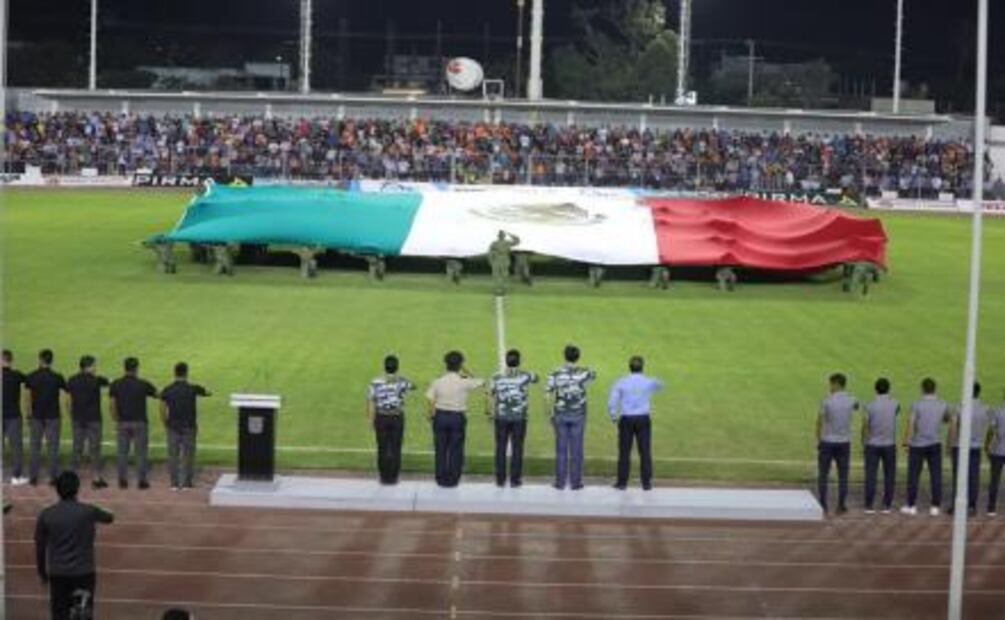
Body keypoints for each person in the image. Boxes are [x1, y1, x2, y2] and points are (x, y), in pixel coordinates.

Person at [35, 471, 114, 620]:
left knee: (59, 614)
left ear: (57, 490)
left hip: (58, 574)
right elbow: (110, 517)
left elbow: (40, 547)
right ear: (77, 488)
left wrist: (42, 573)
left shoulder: (46, 515)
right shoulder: (88, 511)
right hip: (84, 573)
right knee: (83, 615)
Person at [426, 351, 484, 487]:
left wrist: (431, 415)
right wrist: (465, 369)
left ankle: (440, 478)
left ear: (446, 364)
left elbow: (430, 400)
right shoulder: (464, 382)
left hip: (440, 417)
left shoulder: (437, 381)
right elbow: (481, 382)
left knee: (440, 449)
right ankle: (453, 479)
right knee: (456, 449)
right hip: (457, 418)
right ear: (460, 365)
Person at [608, 356, 664, 490]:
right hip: (643, 419)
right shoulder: (648, 382)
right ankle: (646, 483)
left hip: (626, 418)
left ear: (629, 367)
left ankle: (622, 483)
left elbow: (612, 401)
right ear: (642, 367)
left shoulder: (621, 382)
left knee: (624, 452)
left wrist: (613, 415)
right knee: (645, 451)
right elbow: (661, 385)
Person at [546, 345, 597, 490]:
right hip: (578, 414)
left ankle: (560, 482)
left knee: (561, 450)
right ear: (578, 357)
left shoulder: (555, 373)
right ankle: (576, 483)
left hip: (560, 414)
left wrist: (550, 414)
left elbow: (547, 394)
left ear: (564, 356)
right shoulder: (585, 372)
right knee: (577, 450)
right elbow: (593, 375)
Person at [486, 349, 538, 488]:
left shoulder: (496, 377)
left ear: (506, 361)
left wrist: (490, 412)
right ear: (519, 361)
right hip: (519, 418)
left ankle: (500, 479)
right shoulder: (525, 376)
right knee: (517, 448)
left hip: (501, 417)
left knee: (500, 448)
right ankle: (515, 480)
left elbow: (489, 393)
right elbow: (536, 378)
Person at [901, 377, 950, 516]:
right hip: (935, 443)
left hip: (918, 445)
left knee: (913, 476)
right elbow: (947, 418)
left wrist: (906, 442)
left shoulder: (916, 405)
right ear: (935, 388)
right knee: (936, 475)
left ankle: (911, 505)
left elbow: (911, 424)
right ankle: (935, 506)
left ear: (922, 388)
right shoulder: (942, 404)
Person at [160, 362, 211, 491]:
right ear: (186, 373)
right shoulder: (192, 388)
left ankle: (174, 483)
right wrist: (208, 391)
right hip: (189, 426)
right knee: (188, 455)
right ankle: (187, 483)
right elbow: (207, 392)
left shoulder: (168, 389)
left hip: (173, 427)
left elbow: (162, 408)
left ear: (174, 372)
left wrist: (165, 423)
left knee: (173, 455)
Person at [109, 357, 158, 490]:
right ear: (136, 368)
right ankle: (142, 481)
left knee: (122, 453)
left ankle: (122, 481)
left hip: (123, 423)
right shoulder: (143, 384)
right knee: (141, 453)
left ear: (124, 368)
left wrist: (116, 420)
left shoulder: (116, 384)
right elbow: (158, 394)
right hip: (140, 423)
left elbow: (112, 405)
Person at [367, 355, 416, 485]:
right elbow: (413, 386)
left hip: (381, 417)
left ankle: (384, 477)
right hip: (396, 417)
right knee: (395, 447)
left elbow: (371, 401)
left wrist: (371, 420)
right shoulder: (401, 381)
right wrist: (399, 378)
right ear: (397, 367)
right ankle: (393, 477)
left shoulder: (375, 382)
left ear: (384, 367)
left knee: (382, 447)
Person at [66, 356, 111, 490]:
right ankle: (96, 479)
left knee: (77, 448)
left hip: (78, 419)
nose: (95, 368)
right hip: (94, 419)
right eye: (94, 366)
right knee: (95, 449)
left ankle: (71, 477)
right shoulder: (97, 380)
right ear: (89, 366)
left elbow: (67, 402)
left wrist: (72, 415)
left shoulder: (72, 380)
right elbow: (110, 382)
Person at [816, 373, 858, 514]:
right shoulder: (851, 400)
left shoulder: (827, 401)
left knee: (823, 475)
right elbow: (857, 406)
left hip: (827, 442)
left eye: (831, 384)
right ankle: (841, 505)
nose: (830, 387)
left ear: (836, 384)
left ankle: (823, 504)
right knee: (843, 476)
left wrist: (818, 439)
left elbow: (819, 421)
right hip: (844, 443)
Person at [25, 349, 67, 486]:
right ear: (51, 360)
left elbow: (27, 398)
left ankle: (33, 478)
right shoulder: (57, 377)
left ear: (40, 359)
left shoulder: (31, 376)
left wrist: (28, 414)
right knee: (53, 447)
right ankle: (53, 478)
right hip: (53, 416)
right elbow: (67, 391)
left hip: (36, 416)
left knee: (34, 447)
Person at [947, 382, 988, 516]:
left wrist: (950, 445)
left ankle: (956, 505)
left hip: (960, 447)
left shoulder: (959, 407)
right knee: (974, 477)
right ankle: (971, 506)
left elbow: (953, 428)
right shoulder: (984, 408)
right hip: (976, 447)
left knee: (958, 477)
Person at [861, 378, 900, 514]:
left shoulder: (869, 405)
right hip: (889, 444)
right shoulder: (895, 403)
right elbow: (896, 411)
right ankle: (887, 505)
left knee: (870, 475)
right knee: (889, 475)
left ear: (875, 389)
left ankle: (869, 505)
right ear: (888, 389)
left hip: (872, 444)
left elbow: (865, 426)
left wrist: (864, 442)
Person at [3, 349, 29, 485]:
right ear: (11, 360)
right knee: (16, 447)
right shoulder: (16, 375)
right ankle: (16, 476)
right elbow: (30, 381)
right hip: (13, 415)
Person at [986, 397, 1005, 516]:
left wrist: (987, 445)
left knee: (994, 480)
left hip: (998, 451)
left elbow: (991, 430)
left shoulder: (998, 412)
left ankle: (991, 508)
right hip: (998, 451)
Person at [488, 230, 521, 295]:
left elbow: (517, 241)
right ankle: (496, 289)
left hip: (505, 259)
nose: (501, 236)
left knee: (505, 275)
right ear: (498, 236)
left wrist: (510, 234)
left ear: (504, 236)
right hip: (496, 259)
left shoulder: (507, 242)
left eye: (502, 235)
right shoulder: (494, 243)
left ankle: (504, 289)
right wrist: (490, 260)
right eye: (500, 235)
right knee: (496, 275)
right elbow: (490, 252)